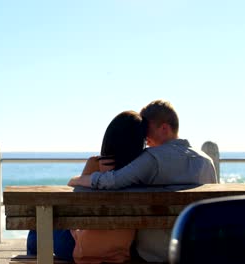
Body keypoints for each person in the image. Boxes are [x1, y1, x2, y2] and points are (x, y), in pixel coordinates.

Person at [68, 99, 218, 262]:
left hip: (155, 254)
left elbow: (113, 181)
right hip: (197, 251)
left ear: (164, 128)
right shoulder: (206, 161)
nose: (145, 140)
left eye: (147, 133)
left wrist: (78, 179)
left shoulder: (152, 158)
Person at [26, 110, 147, 263]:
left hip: (78, 248)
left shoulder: (95, 164)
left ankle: (32, 258)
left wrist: (77, 179)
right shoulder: (143, 171)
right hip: (122, 252)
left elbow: (74, 203)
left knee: (38, 225)